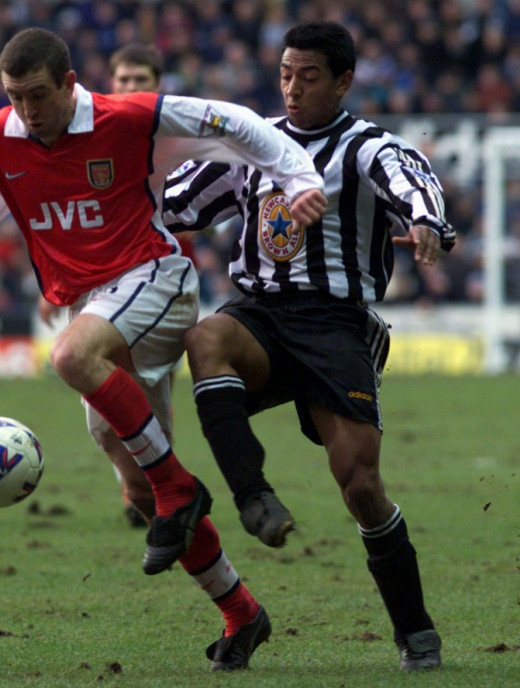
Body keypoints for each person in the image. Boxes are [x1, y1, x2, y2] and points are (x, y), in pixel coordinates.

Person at [0, 27, 327, 671]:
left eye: (37, 96)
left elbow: (237, 121)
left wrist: (299, 177)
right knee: (137, 486)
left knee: (71, 359)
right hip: (96, 307)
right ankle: (241, 612)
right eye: (14, 97)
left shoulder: (128, 118)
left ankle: (182, 490)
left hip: (154, 277)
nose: (26, 111)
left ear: (69, 82)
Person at [163, 21, 453, 671]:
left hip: (334, 327)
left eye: (309, 77)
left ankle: (415, 629)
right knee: (206, 337)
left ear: (344, 81)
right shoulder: (252, 145)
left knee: (360, 486)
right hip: (259, 316)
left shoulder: (368, 147)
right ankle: (253, 496)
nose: (292, 89)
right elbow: (172, 202)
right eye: (286, 75)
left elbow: (413, 184)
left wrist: (429, 221)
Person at [38, 41, 186, 530]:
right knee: (104, 409)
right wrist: (55, 283)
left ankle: (151, 485)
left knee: (139, 390)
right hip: (99, 284)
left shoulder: (170, 140)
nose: (129, 89)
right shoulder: (99, 139)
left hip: (156, 278)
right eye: (121, 81)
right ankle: (144, 483)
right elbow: (67, 216)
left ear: (157, 88)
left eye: (139, 82)